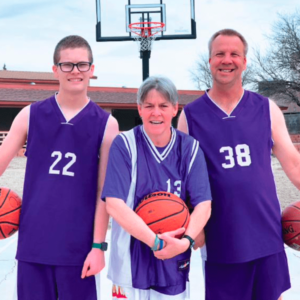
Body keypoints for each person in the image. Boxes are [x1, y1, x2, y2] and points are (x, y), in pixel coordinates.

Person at [178, 28, 300, 300]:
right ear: (209, 61)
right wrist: (191, 226)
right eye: (219, 54)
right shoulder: (191, 115)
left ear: (245, 62)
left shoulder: (266, 108)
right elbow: (181, 177)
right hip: (220, 234)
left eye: (235, 54)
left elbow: (293, 163)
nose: (227, 60)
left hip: (265, 230)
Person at [0, 35, 119, 300]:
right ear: (55, 70)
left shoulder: (106, 124)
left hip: (79, 251)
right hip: (34, 246)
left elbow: (104, 192)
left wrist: (98, 246)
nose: (75, 71)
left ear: (92, 69)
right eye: (67, 65)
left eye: (82, 64)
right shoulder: (30, 114)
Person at [101, 76, 212, 299]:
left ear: (174, 109)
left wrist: (185, 242)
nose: (156, 112)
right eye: (149, 106)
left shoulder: (189, 148)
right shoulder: (125, 145)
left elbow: (204, 204)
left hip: (174, 263)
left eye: (163, 106)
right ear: (140, 109)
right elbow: (113, 204)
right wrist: (157, 242)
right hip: (129, 264)